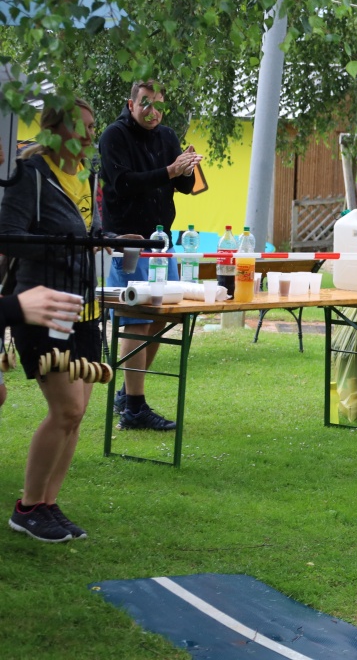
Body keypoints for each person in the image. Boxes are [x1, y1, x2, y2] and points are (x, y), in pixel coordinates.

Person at [0, 100, 99, 542]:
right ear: (54, 132)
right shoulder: (32, 175)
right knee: (66, 408)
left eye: (93, 127)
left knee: (77, 415)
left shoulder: (86, 177)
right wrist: (62, 245)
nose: (89, 136)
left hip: (84, 307)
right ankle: (26, 507)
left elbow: (85, 234)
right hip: (41, 305)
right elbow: (9, 237)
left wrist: (107, 239)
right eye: (81, 128)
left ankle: (47, 504)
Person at [98, 79, 202, 431]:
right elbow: (123, 182)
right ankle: (135, 408)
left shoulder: (167, 136)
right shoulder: (114, 136)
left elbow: (183, 187)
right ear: (131, 104)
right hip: (128, 241)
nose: (152, 111)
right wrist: (170, 170)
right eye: (145, 103)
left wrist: (187, 167)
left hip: (162, 242)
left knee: (165, 315)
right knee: (136, 319)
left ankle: (127, 395)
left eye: (158, 105)